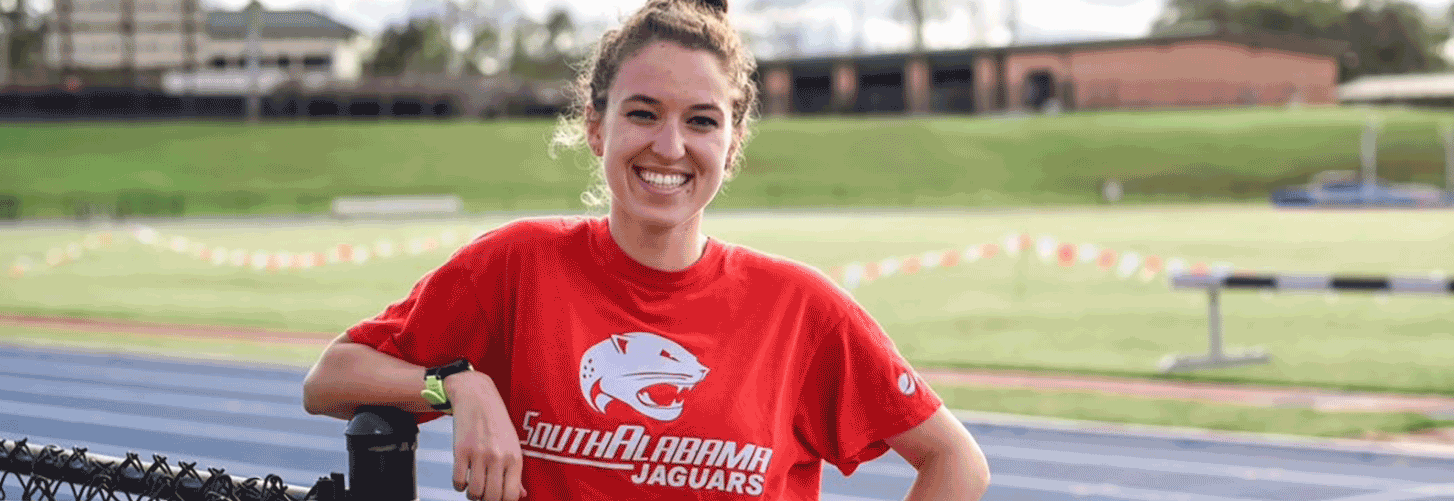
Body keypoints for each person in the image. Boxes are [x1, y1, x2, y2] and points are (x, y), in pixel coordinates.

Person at [299, 0, 991, 499]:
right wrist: (454, 383)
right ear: (596, 127)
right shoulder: (517, 266)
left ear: (733, 140)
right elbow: (329, 380)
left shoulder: (801, 308)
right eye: (642, 113)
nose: (669, 146)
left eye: (701, 120)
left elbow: (957, 463)